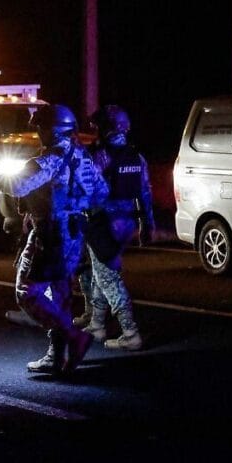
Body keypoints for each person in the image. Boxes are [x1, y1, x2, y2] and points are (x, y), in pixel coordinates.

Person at [0, 104, 108, 375]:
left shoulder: (51, 159)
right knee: (61, 293)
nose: (38, 133)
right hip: (74, 231)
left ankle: (73, 336)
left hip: (50, 232)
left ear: (53, 131)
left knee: (27, 292)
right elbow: (101, 192)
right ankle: (56, 355)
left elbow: (18, 185)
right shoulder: (83, 157)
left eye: (41, 128)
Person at [75, 105, 153, 351]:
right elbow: (145, 192)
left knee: (109, 279)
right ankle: (97, 325)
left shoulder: (99, 156)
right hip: (126, 223)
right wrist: (147, 224)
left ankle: (130, 333)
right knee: (102, 271)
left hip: (103, 223)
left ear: (105, 128)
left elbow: (86, 189)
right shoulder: (136, 157)